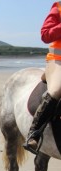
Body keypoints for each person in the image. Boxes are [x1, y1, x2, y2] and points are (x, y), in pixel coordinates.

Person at [23, 1, 61, 155]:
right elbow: (45, 34)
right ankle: (34, 134)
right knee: (57, 89)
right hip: (58, 60)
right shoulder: (58, 7)